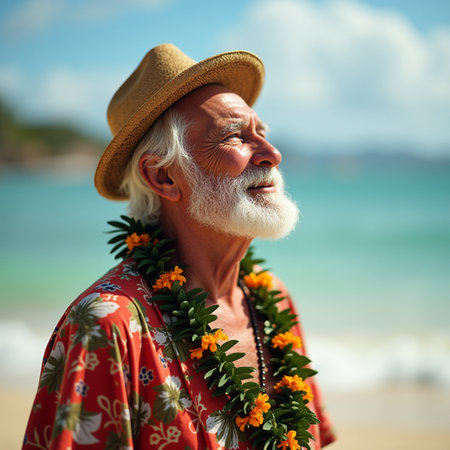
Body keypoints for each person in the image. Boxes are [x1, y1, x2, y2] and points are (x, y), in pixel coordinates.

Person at [23, 44, 335, 449]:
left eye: (263, 134)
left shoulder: (272, 299)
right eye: (234, 137)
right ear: (163, 177)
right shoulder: (108, 325)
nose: (271, 154)